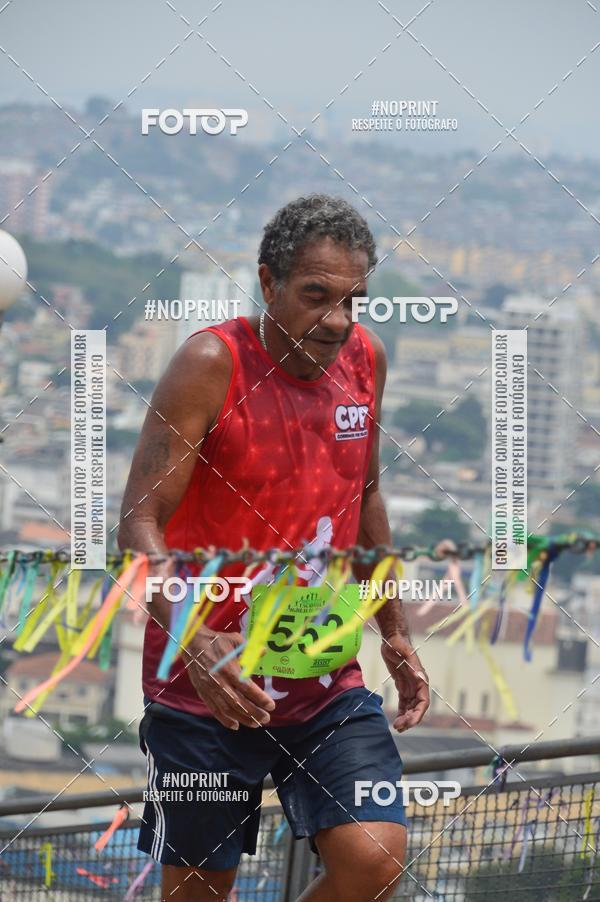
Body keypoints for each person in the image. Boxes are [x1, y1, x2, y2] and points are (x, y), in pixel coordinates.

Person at [118, 194, 431, 901]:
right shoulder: (210, 362)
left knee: (375, 857)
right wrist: (195, 644)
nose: (336, 322)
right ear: (267, 283)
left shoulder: (365, 359)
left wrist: (395, 628)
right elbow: (138, 521)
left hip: (323, 683)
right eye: (315, 296)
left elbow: (367, 497)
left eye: (354, 301)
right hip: (204, 691)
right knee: (199, 892)